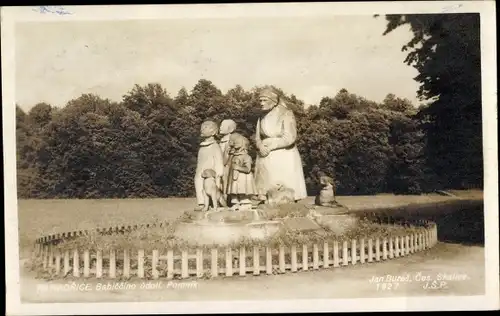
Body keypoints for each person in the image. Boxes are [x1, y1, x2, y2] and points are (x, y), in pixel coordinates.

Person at [254, 86, 308, 202]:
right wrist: (260, 146)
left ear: (273, 101)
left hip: (284, 155)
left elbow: (290, 137)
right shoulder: (261, 116)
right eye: (260, 100)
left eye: (264, 100)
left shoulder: (286, 113)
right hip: (265, 155)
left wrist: (272, 146)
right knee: (266, 189)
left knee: (284, 189)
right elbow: (257, 137)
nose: (261, 103)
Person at [194, 120, 224, 211]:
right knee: (198, 183)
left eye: (206, 127)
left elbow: (219, 161)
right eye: (202, 127)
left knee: (210, 188)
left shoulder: (215, 146)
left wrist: (219, 174)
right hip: (200, 172)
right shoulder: (202, 146)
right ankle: (201, 203)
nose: (202, 129)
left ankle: (212, 204)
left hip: (210, 173)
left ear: (213, 132)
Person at [226, 133, 257, 210]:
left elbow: (248, 169)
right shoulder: (234, 155)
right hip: (234, 177)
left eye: (238, 142)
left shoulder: (246, 157)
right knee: (234, 190)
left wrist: (238, 167)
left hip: (243, 177)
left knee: (243, 189)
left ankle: (245, 203)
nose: (235, 143)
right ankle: (235, 203)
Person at [218, 119, 237, 199]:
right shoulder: (222, 140)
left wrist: (224, 162)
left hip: (227, 164)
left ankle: (226, 195)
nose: (220, 127)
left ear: (231, 129)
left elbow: (228, 154)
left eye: (223, 126)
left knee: (226, 178)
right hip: (220, 163)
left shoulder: (230, 140)